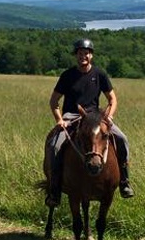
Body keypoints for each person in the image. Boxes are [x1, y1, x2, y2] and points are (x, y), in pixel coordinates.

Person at [45, 38, 134, 206]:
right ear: (76, 56)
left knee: (122, 139)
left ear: (91, 55)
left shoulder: (99, 74)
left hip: (96, 118)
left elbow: (112, 99)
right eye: (80, 53)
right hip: (72, 117)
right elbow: (53, 101)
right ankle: (54, 188)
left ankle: (124, 181)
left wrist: (109, 116)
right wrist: (59, 120)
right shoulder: (67, 75)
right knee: (54, 146)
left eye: (86, 53)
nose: (83, 56)